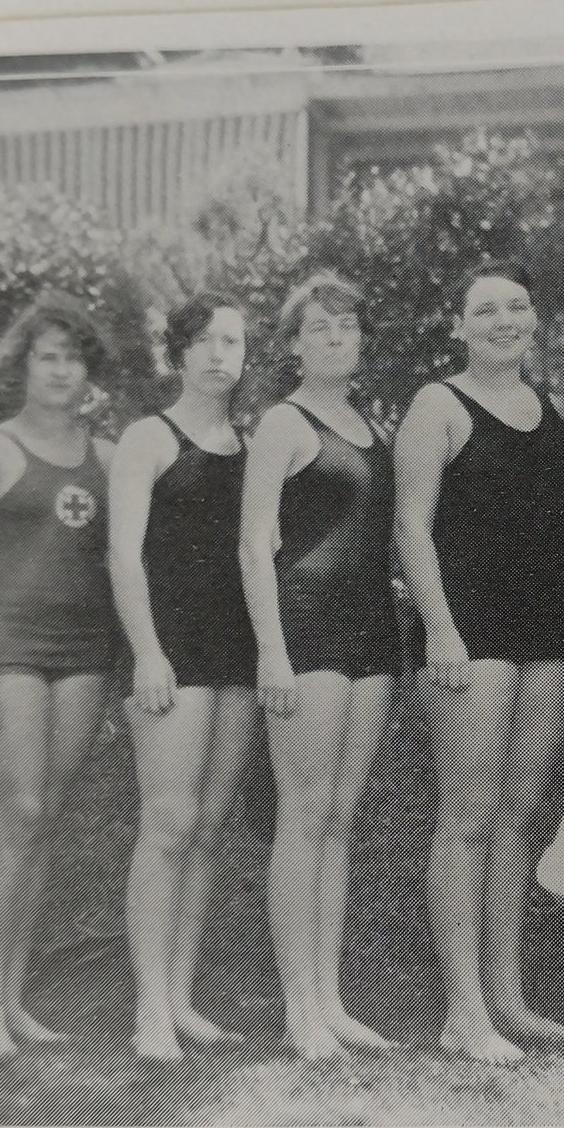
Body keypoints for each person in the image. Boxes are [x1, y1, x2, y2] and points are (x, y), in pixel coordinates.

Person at [394, 259, 564, 1063]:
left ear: (533, 319)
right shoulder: (437, 405)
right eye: (486, 310)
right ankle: (461, 1011)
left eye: (516, 307)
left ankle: (507, 996)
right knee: (467, 817)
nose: (504, 320)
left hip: (547, 630)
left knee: (517, 813)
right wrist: (439, 628)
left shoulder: (558, 411)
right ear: (461, 326)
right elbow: (411, 526)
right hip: (468, 629)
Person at [0, 294, 116, 1059]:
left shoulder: (106, 456)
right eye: (47, 355)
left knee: (45, 818)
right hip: (7, 649)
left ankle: (15, 1000)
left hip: (82, 655)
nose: (60, 369)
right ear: (23, 364)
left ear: (87, 370)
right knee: (16, 814)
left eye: (72, 357)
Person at [240, 273, 400, 1061]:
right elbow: (253, 544)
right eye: (320, 328)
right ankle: (298, 1007)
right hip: (306, 633)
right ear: (295, 343)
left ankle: (330, 999)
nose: (336, 338)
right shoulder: (282, 422)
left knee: (339, 818)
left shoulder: (369, 425)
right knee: (303, 818)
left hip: (373, 632)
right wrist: (270, 647)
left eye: (347, 326)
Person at [108, 293, 261, 1062]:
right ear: (179, 353)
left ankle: (181, 996)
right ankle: (148, 1012)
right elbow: (123, 554)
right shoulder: (148, 438)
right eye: (202, 340)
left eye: (231, 341)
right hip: (169, 654)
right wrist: (146, 652)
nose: (217, 354)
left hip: (235, 653)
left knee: (206, 830)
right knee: (166, 825)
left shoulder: (250, 443)